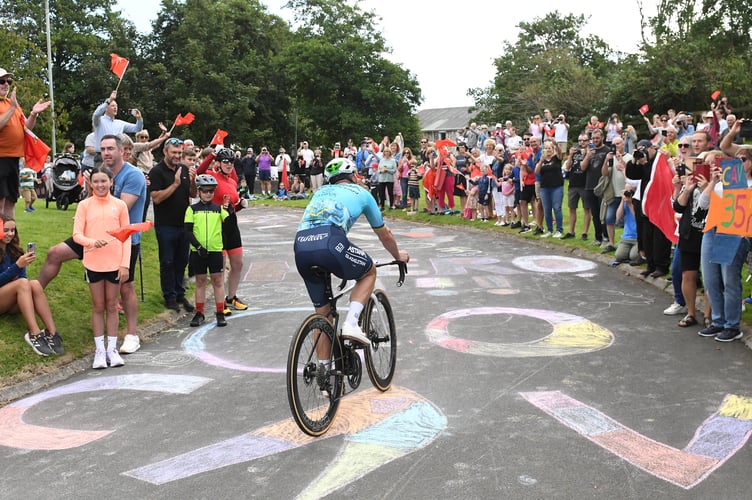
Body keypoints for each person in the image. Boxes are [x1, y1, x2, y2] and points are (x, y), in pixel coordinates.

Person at [294, 158, 409, 358]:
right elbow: (385, 234)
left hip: (301, 246)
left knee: (323, 315)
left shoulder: (319, 192)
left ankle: (324, 375)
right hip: (330, 242)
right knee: (368, 272)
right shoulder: (362, 193)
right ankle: (352, 323)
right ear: (354, 176)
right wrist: (398, 256)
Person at [72, 166, 131, 369]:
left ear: (111, 182)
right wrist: (91, 242)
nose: (100, 185)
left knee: (112, 305)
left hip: (114, 263)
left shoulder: (120, 205)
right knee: (98, 306)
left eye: (104, 181)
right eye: (96, 181)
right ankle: (99, 351)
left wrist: (124, 264)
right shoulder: (84, 205)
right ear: (90, 183)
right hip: (93, 262)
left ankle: (112, 349)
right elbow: (76, 234)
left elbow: (126, 236)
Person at [696, 146, 752, 342]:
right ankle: (718, 322)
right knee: (710, 279)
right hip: (712, 230)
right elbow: (701, 207)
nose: (738, 163)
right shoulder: (721, 183)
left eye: (743, 159)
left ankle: (732, 325)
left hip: (735, 233)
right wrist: (713, 182)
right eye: (735, 160)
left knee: (729, 280)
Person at [196, 147, 249, 314]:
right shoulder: (212, 176)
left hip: (231, 223)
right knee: (221, 266)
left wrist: (240, 205)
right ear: (218, 163)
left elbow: (231, 206)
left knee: (238, 263)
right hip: (216, 223)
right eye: (225, 161)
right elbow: (199, 171)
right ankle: (220, 302)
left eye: (231, 162)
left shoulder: (232, 181)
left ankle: (231, 297)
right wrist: (213, 154)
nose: (229, 164)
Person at [0, 215, 63, 356]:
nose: (10, 234)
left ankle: (51, 332)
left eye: (13, 230)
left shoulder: (15, 251)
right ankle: (34, 334)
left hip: (11, 300)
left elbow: (23, 281)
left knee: (33, 283)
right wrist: (17, 266)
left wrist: (20, 267)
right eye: (6, 230)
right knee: (23, 283)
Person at [150, 138, 197, 312]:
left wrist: (192, 181)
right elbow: (156, 198)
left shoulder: (183, 169)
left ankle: (179, 293)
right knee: (167, 261)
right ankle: (169, 296)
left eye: (179, 153)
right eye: (174, 153)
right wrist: (175, 184)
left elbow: (192, 193)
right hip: (166, 225)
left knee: (181, 261)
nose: (177, 156)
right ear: (165, 152)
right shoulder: (157, 172)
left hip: (183, 224)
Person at [0, 68, 51, 218]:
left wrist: (33, 114)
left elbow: (26, 129)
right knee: (1, 202)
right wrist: (12, 108)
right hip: (1, 158)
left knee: (11, 201)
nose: (6, 84)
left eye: (8, 81)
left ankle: (11, 239)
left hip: (14, 159)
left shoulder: (12, 104)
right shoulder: (12, 106)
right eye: (1, 81)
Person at [184, 175, 229, 327]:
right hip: (198, 252)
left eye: (211, 191)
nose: (208, 194)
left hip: (215, 251)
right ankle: (199, 312)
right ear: (199, 191)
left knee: (218, 281)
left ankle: (220, 312)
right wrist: (198, 247)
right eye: (204, 191)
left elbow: (230, 225)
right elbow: (188, 231)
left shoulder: (218, 209)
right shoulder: (192, 209)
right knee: (200, 281)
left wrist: (231, 209)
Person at [91, 90, 143, 161]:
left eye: (116, 106)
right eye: (112, 105)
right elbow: (96, 114)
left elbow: (137, 129)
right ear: (106, 108)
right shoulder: (99, 121)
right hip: (102, 157)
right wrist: (110, 100)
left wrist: (139, 119)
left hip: (117, 156)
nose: (115, 107)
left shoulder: (120, 123)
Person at [535, 141, 564, 237]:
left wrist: (556, 145)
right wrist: (541, 161)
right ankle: (549, 230)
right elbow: (537, 171)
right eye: (546, 148)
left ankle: (559, 230)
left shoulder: (556, 158)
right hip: (545, 187)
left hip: (557, 186)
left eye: (549, 148)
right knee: (546, 209)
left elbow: (560, 153)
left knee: (557, 208)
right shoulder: (542, 160)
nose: (548, 150)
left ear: (553, 149)